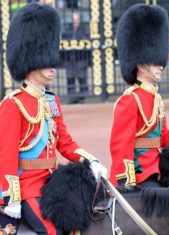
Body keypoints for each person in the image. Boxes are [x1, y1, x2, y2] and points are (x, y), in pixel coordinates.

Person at [0, 3, 107, 234]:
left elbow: (65, 143)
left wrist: (90, 160)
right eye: (47, 61)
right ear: (31, 62)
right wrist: (11, 198)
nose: (54, 67)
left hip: (52, 185)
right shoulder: (13, 104)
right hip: (27, 188)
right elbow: (5, 155)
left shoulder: (51, 101)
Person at [109, 4, 169, 188]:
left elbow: (163, 134)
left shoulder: (155, 97)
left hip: (159, 168)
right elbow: (121, 146)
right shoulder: (130, 100)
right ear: (140, 65)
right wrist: (126, 183)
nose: (161, 66)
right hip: (141, 175)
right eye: (155, 62)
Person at [62, 12, 89, 104]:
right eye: (74, 19)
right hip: (69, 58)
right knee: (70, 78)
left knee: (82, 77)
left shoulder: (84, 29)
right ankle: (72, 97)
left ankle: (82, 95)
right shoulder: (68, 29)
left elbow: (86, 40)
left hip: (80, 57)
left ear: (79, 20)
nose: (75, 21)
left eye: (76, 19)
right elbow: (64, 38)